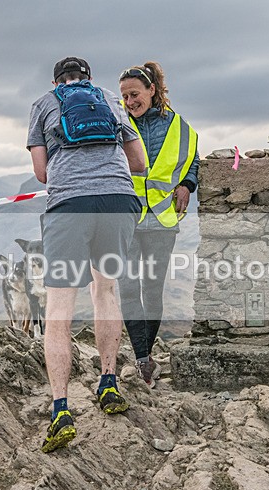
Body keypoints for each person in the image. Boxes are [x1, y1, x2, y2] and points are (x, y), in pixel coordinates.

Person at [27, 57, 146, 453]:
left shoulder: (44, 104)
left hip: (70, 207)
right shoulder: (111, 100)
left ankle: (61, 409)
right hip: (118, 200)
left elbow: (42, 174)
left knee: (60, 306)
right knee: (106, 291)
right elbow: (139, 163)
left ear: (56, 81)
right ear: (90, 81)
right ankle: (108, 384)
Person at [117, 61, 199, 388]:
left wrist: (187, 185)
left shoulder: (180, 127)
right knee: (125, 287)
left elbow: (191, 159)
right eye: (124, 97)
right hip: (126, 217)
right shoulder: (119, 123)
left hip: (163, 220)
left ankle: (145, 355)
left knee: (152, 290)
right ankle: (141, 358)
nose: (129, 102)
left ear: (152, 91)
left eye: (134, 94)